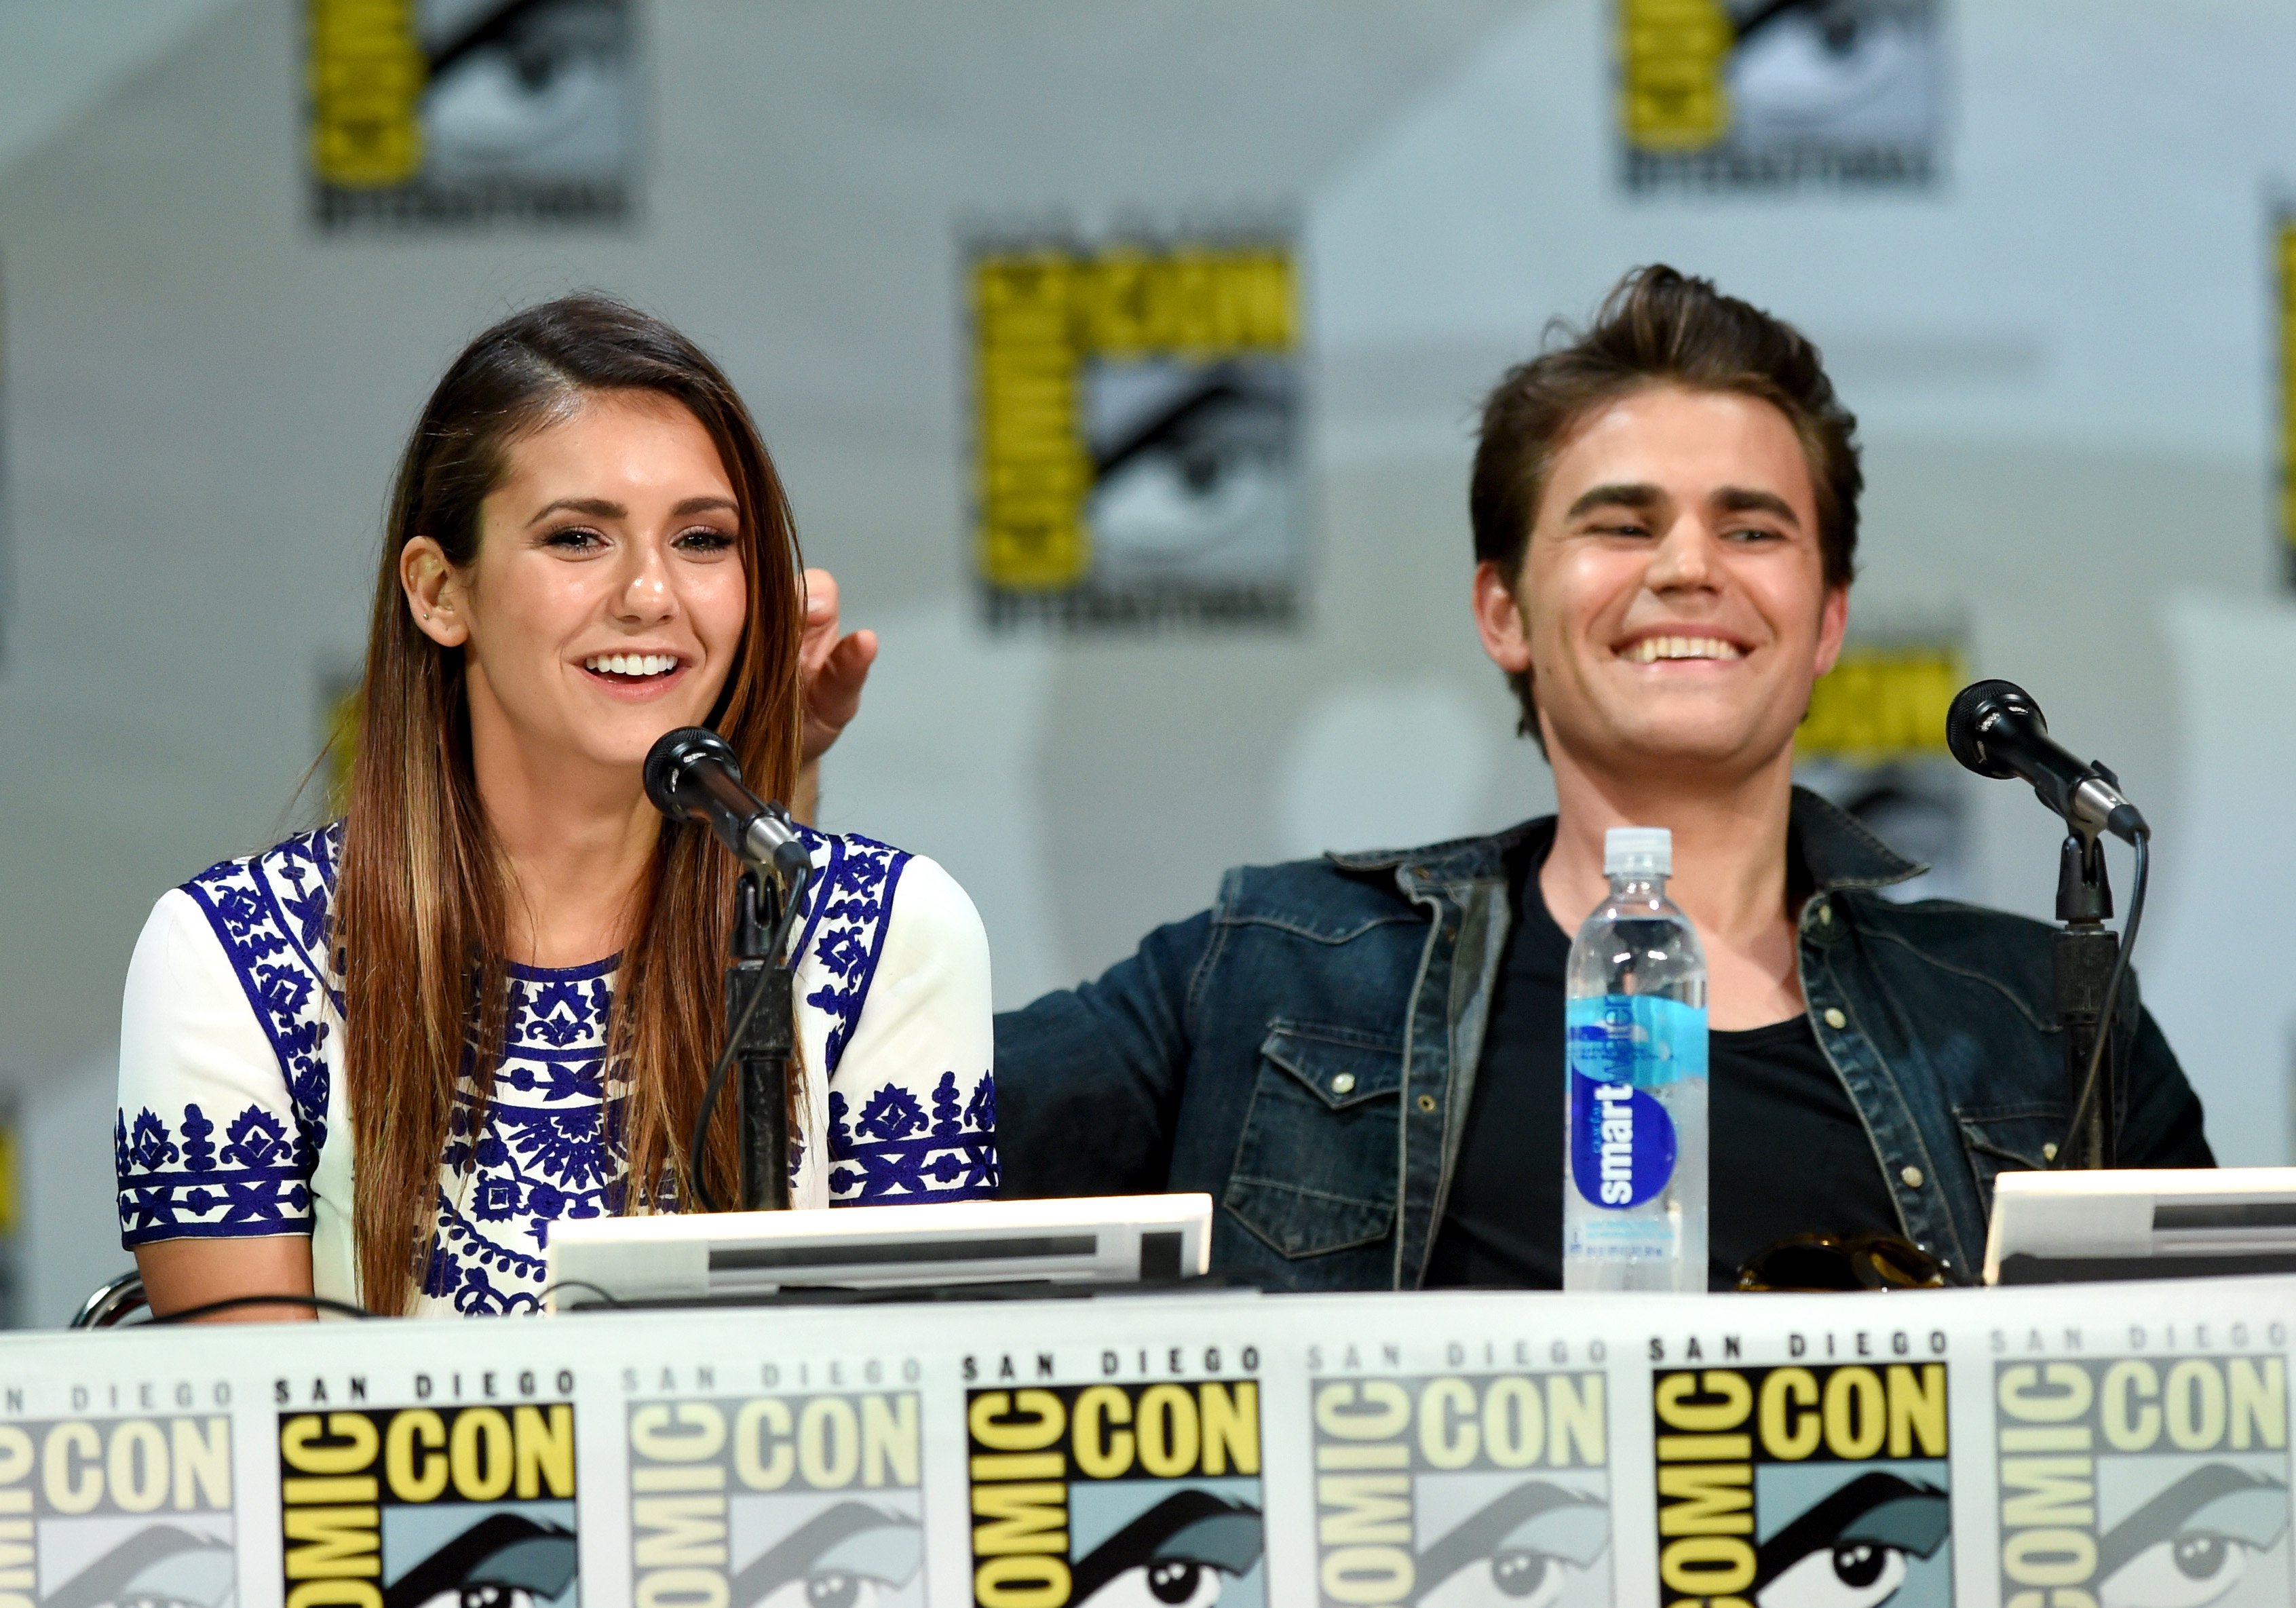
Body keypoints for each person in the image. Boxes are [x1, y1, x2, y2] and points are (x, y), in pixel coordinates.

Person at [803, 265, 2212, 1290]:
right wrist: (768, 831)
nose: (1687, 567)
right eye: (1621, 521)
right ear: (1502, 613)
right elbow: (855, 1159)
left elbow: (2217, 1402)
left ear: (1830, 616)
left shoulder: (2040, 1022)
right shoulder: (1274, 974)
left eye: (1752, 527)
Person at [114, 296, 997, 1320]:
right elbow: (254, 1450)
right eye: (579, 537)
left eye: (704, 540)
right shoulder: (231, 954)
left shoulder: (889, 930)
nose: (652, 594)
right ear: (439, 591)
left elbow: (916, 1412)